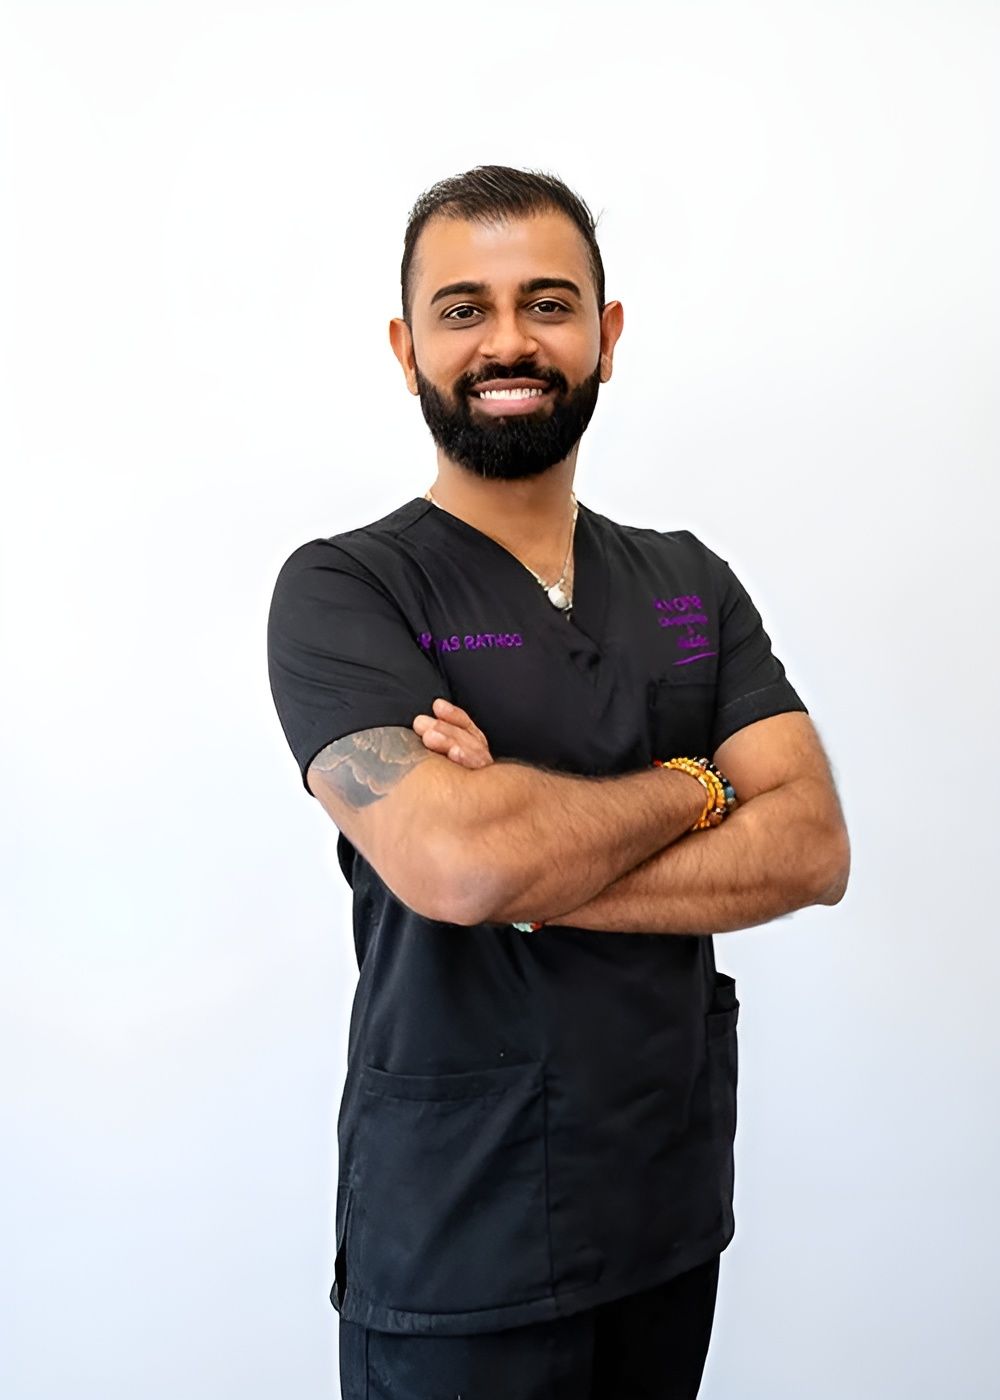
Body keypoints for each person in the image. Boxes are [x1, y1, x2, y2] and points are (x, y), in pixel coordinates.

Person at [266, 164, 851, 1400]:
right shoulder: (345, 590)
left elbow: (809, 845)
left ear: (606, 333)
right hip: (457, 1230)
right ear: (406, 348)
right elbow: (457, 861)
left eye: (547, 302)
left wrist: (528, 863)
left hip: (661, 1202)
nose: (508, 341)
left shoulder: (687, 581)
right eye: (462, 308)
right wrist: (699, 783)